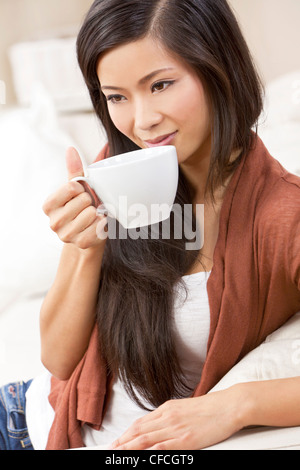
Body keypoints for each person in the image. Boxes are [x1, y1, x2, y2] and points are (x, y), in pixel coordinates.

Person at [1, 0, 299, 451]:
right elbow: (58, 360)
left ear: (218, 69)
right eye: (117, 96)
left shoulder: (283, 215)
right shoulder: (116, 172)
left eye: (160, 85)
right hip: (28, 420)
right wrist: (86, 248)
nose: (142, 121)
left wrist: (237, 405)